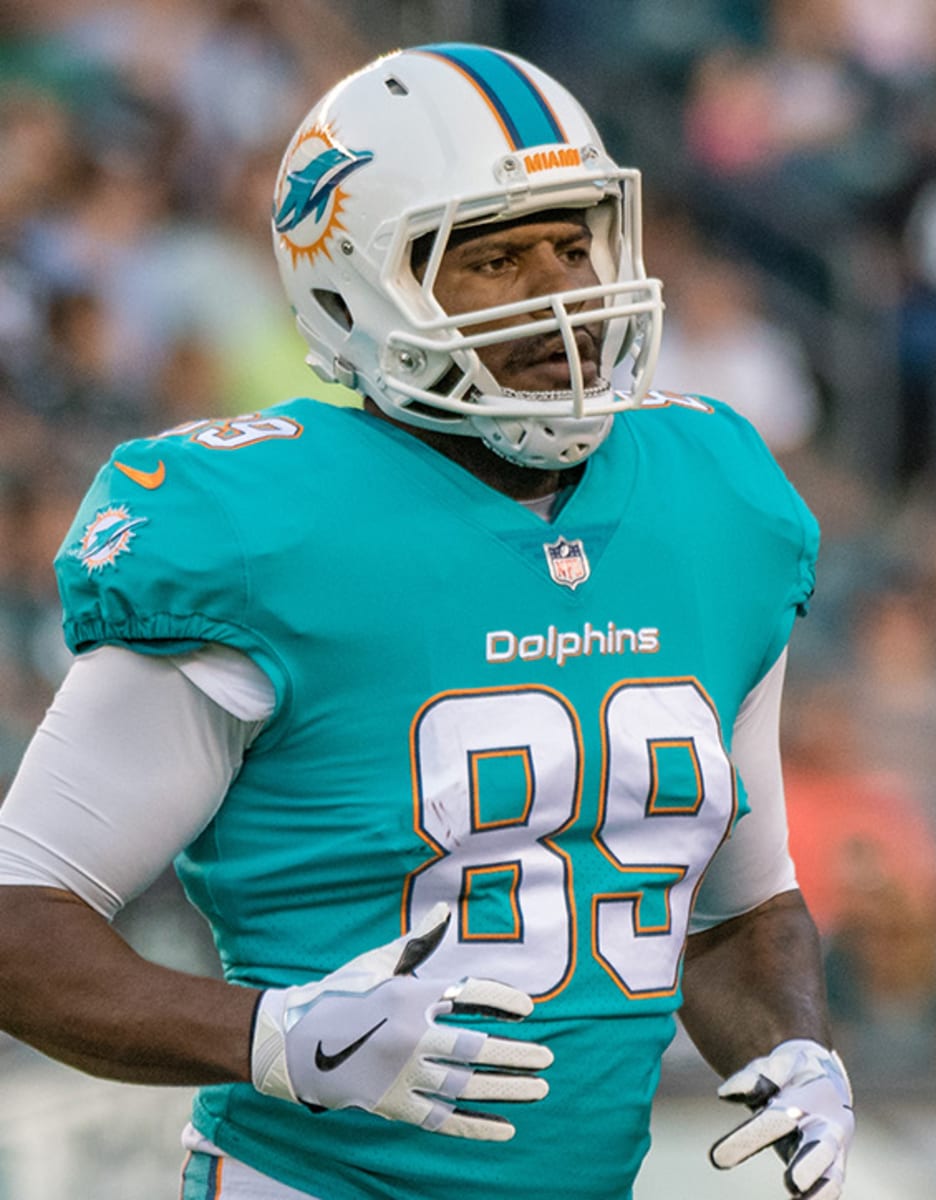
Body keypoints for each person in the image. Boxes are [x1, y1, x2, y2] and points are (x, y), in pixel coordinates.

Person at [0, 43, 853, 1200]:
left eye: (573, 242)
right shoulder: (265, 530)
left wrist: (793, 1046)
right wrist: (273, 1039)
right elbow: (20, 924)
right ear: (357, 287)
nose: (562, 294)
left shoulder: (717, 498)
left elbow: (736, 906)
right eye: (495, 259)